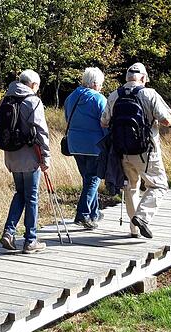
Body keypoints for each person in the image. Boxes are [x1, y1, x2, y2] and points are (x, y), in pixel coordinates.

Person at [101, 63, 171, 239]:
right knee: (159, 185)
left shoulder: (114, 95)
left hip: (122, 151)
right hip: (146, 151)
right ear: (143, 78)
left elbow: (104, 122)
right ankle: (142, 217)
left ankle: (134, 229)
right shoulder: (149, 94)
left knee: (130, 187)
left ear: (127, 78)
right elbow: (166, 120)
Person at [0, 70, 50, 254]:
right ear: (33, 85)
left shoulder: (4, 99)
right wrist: (46, 157)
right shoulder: (33, 101)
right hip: (30, 156)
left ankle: (9, 232)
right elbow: (42, 131)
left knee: (20, 193)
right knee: (32, 197)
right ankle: (30, 240)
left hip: (11, 155)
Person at [64, 67, 107, 229]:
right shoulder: (99, 99)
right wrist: (108, 142)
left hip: (75, 144)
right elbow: (105, 123)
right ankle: (82, 214)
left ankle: (94, 212)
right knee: (93, 180)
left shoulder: (71, 97)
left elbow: (67, 118)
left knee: (88, 179)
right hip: (94, 145)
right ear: (95, 84)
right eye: (101, 84)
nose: (101, 87)